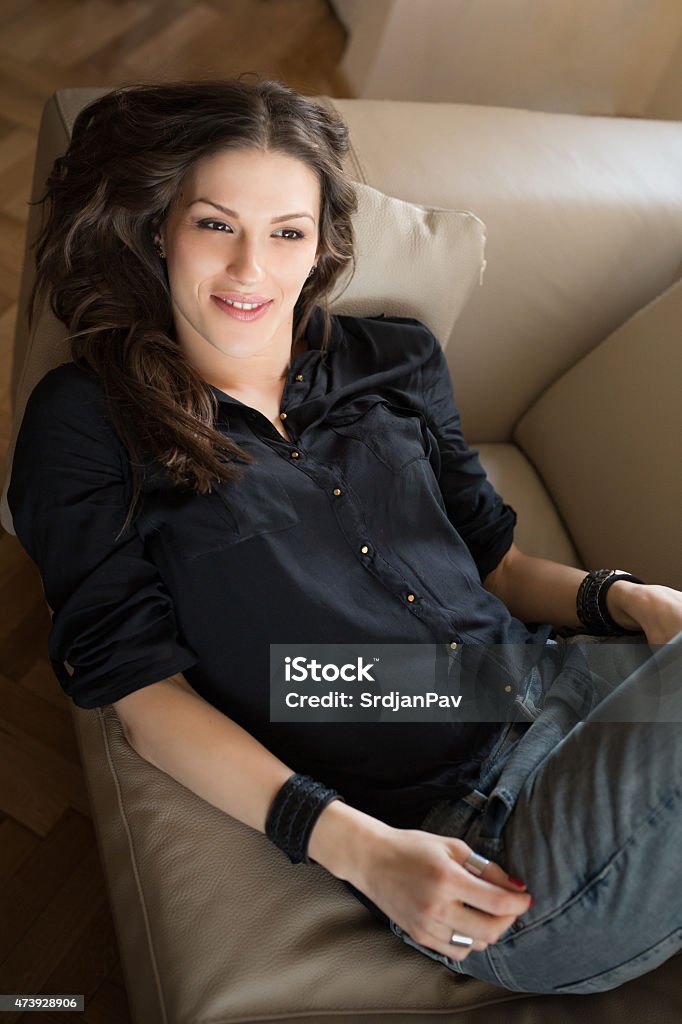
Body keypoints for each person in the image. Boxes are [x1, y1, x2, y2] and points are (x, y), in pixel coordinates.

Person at [7, 78, 682, 996]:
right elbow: (142, 696)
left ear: (321, 242)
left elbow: (499, 564)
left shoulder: (395, 359)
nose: (252, 270)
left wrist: (629, 599)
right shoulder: (87, 422)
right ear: (157, 226)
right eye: (215, 225)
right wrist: (363, 853)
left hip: (584, 686)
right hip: (478, 836)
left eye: (286, 232)